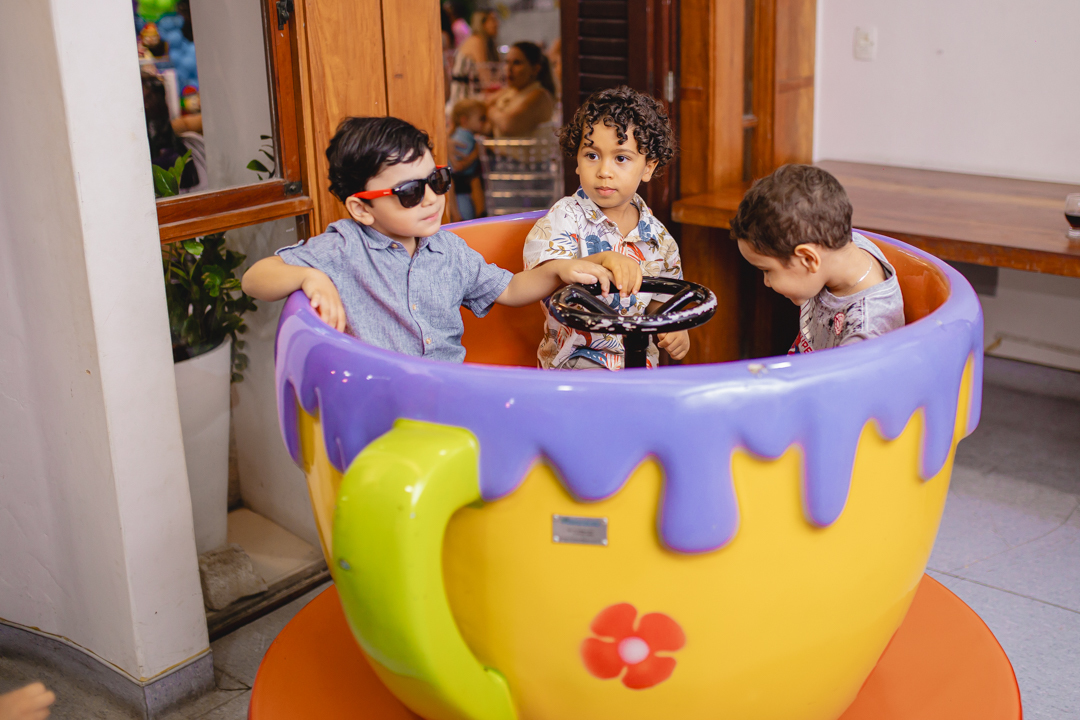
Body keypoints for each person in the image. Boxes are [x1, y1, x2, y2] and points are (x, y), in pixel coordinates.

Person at [241, 116, 614, 363]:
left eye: (436, 180)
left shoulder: (447, 250)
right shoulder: (345, 247)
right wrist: (310, 276)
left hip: (449, 392)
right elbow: (255, 278)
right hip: (385, 402)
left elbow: (511, 289)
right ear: (362, 209)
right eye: (409, 192)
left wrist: (559, 270)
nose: (432, 198)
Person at [523, 86, 684, 370]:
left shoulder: (660, 240)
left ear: (648, 167)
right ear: (577, 159)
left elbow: (659, 300)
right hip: (576, 360)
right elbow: (543, 276)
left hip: (637, 363)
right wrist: (601, 260)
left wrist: (674, 327)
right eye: (592, 155)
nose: (604, 171)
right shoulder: (565, 218)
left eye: (621, 158)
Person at [729, 164, 905, 353]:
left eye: (767, 270)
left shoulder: (866, 333)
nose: (766, 282)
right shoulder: (837, 248)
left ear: (808, 259)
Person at [487, 41, 556, 138]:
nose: (509, 68)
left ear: (535, 69)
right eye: (507, 62)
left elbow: (508, 125)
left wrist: (492, 111)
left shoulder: (540, 96)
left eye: (517, 63)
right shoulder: (511, 91)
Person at [447, 10, 500, 113]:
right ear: (483, 24)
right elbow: (486, 79)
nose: (497, 23)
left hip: (471, 97)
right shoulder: (476, 41)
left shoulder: (486, 43)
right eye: (493, 20)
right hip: (463, 100)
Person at [449, 99, 487, 220]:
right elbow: (457, 166)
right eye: (481, 119)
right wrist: (476, 153)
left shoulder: (465, 136)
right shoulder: (463, 139)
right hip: (460, 189)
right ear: (464, 120)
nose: (484, 123)